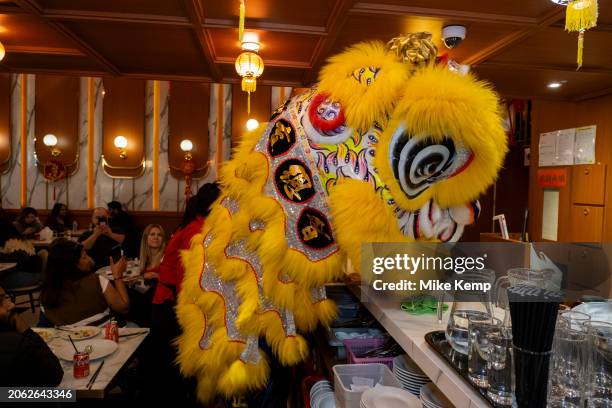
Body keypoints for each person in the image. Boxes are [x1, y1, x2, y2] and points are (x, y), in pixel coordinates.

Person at [145, 183, 220, 404]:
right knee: (174, 369)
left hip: (169, 303)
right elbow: (186, 280)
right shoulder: (196, 232)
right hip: (172, 306)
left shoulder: (197, 225)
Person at [40, 238, 130, 327]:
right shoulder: (97, 281)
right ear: (73, 264)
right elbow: (123, 307)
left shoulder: (46, 295)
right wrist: (118, 275)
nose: (89, 259)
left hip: (69, 340)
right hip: (105, 338)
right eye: (84, 256)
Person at [0, 286, 64, 386]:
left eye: (6, 297)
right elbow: (54, 375)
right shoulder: (13, 344)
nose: (12, 305)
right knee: (67, 395)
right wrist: (24, 329)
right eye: (0, 302)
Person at [0, 219, 44, 290]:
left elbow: (22, 257)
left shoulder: (12, 241)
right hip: (30, 274)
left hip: (29, 276)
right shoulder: (15, 238)